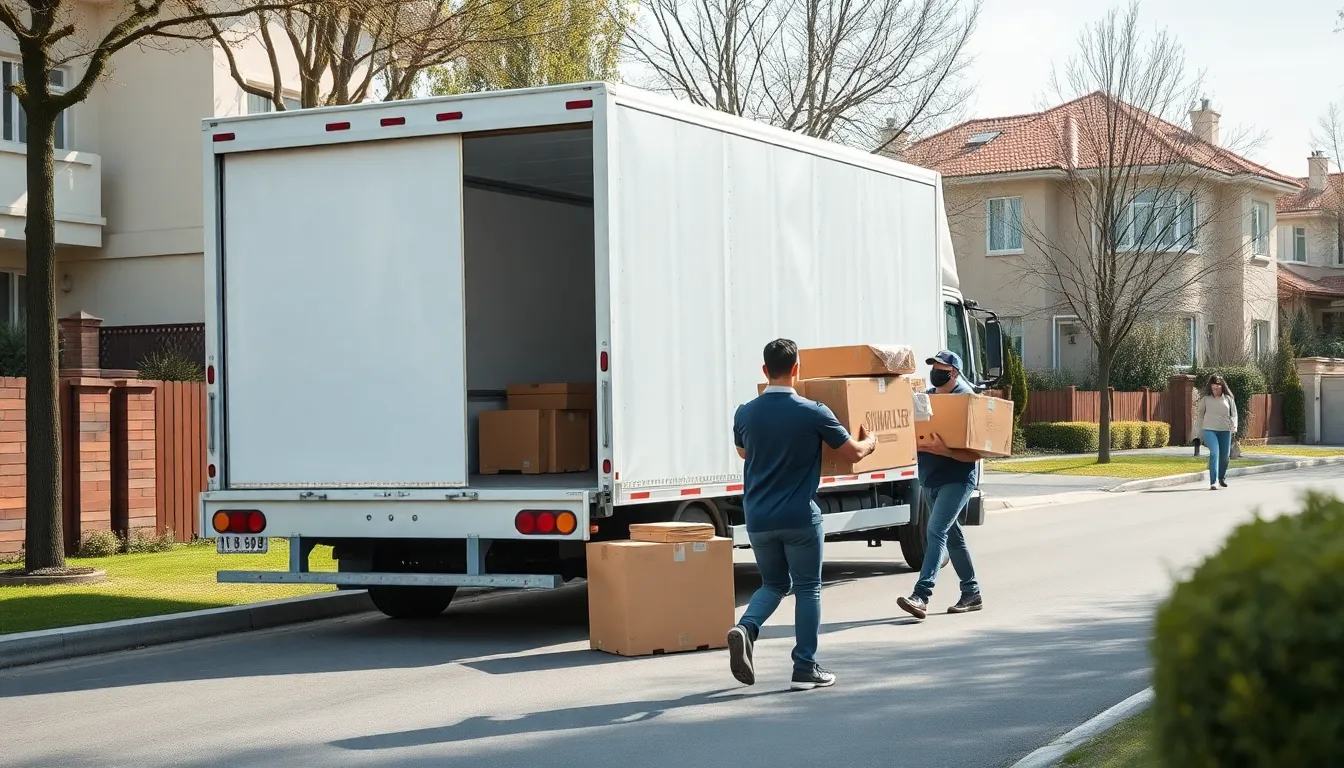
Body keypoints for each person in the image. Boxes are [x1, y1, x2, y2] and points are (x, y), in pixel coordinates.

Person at [727, 338, 877, 691]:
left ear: (764, 370)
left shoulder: (744, 412)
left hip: (758, 517)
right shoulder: (814, 412)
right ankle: (804, 668)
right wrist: (872, 441)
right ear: (797, 369)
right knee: (808, 588)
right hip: (798, 516)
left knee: (774, 584)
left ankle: (746, 627)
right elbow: (854, 453)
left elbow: (744, 453)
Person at [896, 350, 985, 620]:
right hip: (929, 478)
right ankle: (972, 592)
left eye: (941, 368)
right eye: (933, 366)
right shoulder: (926, 399)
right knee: (953, 536)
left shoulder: (967, 400)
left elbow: (975, 454)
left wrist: (944, 451)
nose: (935, 371)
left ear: (954, 372)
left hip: (957, 479)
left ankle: (921, 595)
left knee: (935, 531)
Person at [1193, 375, 1237, 491]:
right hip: (1209, 430)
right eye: (1213, 386)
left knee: (1225, 456)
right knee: (1214, 453)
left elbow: (1234, 414)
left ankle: (1221, 477)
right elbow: (1200, 416)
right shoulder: (1206, 399)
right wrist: (1199, 432)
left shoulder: (1228, 399)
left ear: (1222, 386)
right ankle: (1214, 481)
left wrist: (1234, 426)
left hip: (1225, 430)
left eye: (1217, 385)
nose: (1215, 388)